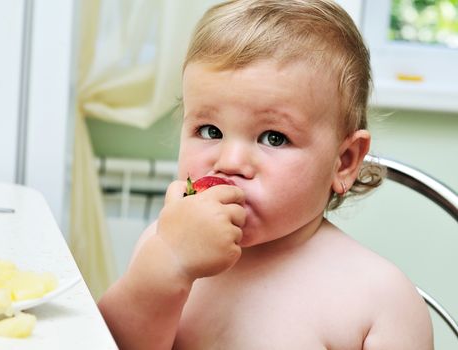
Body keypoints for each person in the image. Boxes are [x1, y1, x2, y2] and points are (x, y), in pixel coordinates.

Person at [97, 0, 434, 349]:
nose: (229, 162)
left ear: (344, 161)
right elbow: (106, 343)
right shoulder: (164, 244)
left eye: (273, 138)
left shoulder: (380, 300)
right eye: (210, 130)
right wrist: (165, 266)